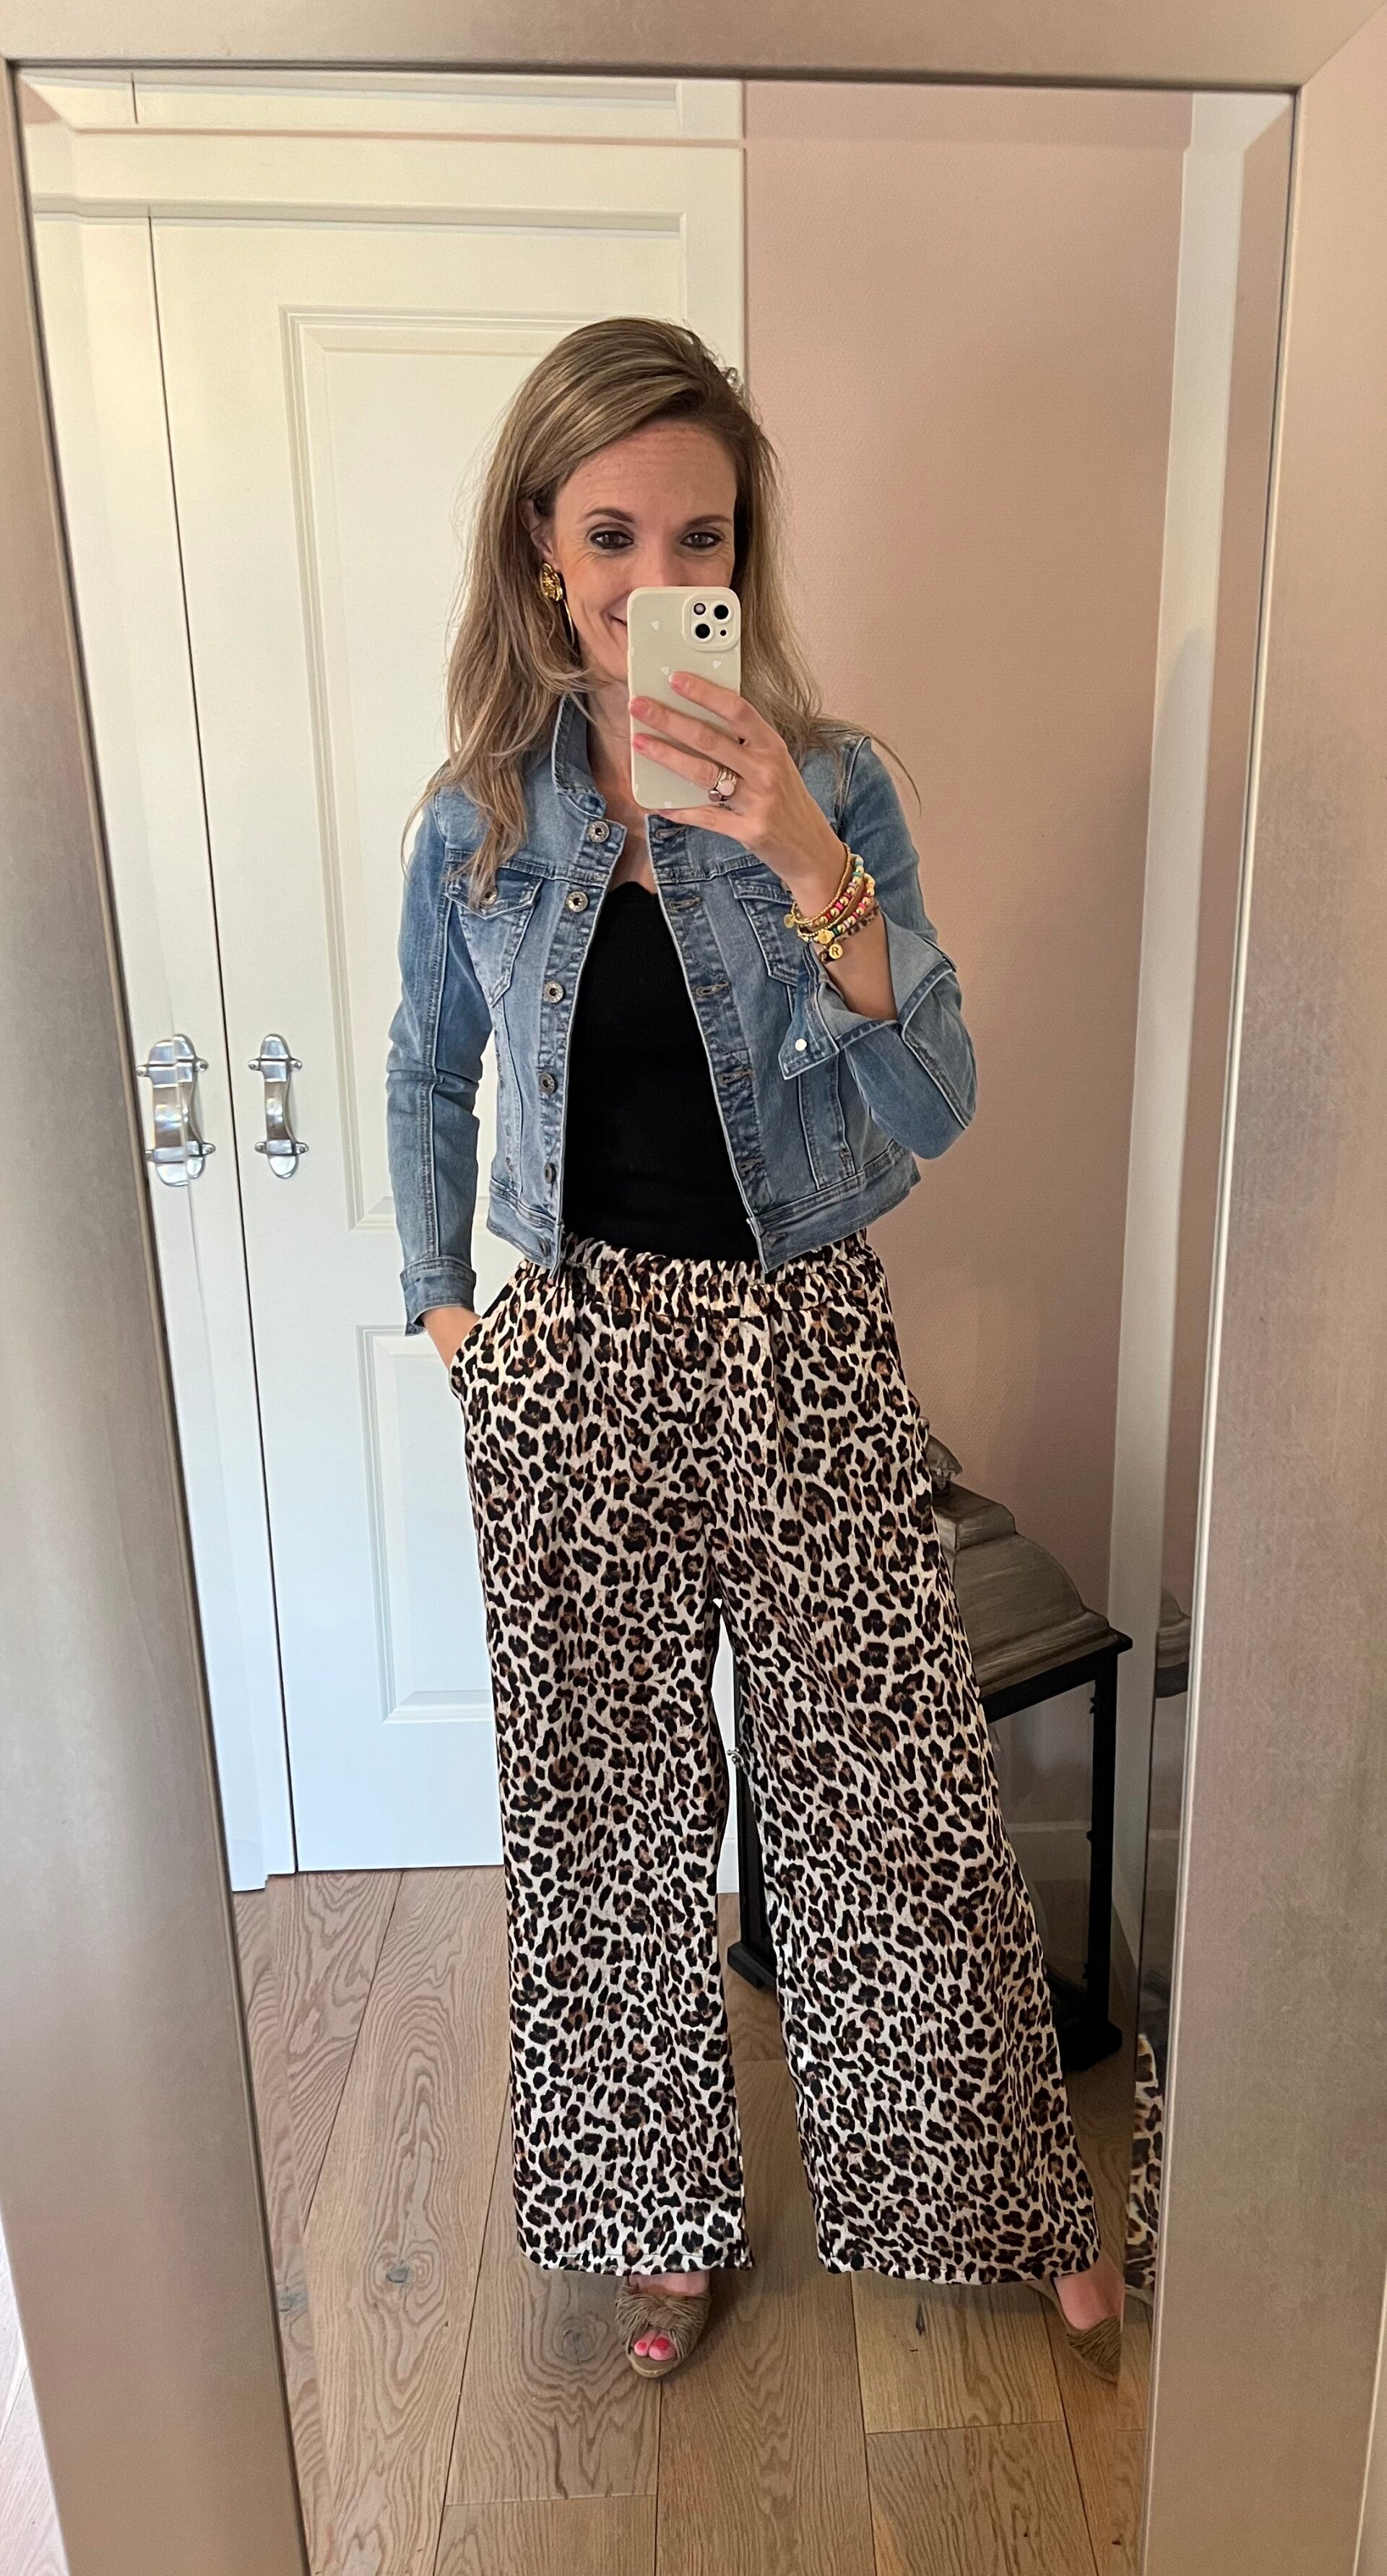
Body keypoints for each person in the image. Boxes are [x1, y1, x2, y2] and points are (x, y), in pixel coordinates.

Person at [386, 316, 1124, 2382]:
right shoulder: (476, 821)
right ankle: (659, 2223)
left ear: (740, 553)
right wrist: (453, 1317)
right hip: (579, 1359)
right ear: (543, 553)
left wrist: (804, 855)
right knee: (607, 1818)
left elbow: (934, 1105)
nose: (654, 578)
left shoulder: (839, 784)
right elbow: (424, 1072)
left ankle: (1006, 2192)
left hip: (806, 1345)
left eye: (696, 537)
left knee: (896, 1795)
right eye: (611, 535)